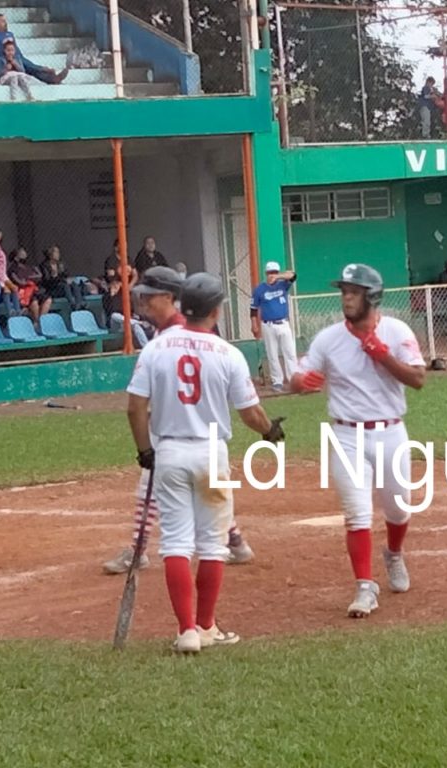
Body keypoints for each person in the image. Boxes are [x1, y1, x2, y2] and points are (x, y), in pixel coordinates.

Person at [126, 270, 284, 653]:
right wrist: (269, 432)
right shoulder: (227, 353)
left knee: (176, 543)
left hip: (169, 452)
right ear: (215, 310)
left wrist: (145, 450)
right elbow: (250, 413)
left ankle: (186, 631)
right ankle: (207, 626)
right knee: (212, 545)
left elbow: (135, 407)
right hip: (211, 452)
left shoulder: (156, 347)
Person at [290, 263, 426, 619]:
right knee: (357, 513)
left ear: (373, 296)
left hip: (391, 431)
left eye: (354, 292)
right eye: (344, 292)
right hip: (346, 434)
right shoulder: (328, 337)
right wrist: (299, 383)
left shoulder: (396, 331)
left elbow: (417, 379)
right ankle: (365, 586)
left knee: (399, 508)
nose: (347, 298)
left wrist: (381, 354)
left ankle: (394, 554)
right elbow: (299, 375)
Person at [103, 267, 257, 575]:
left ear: (172, 298)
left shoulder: (179, 333)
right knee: (206, 490)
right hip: (180, 427)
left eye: (150, 296)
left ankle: (137, 550)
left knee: (154, 485)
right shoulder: (168, 332)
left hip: (181, 429)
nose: (143, 301)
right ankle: (236, 542)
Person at [250, 261, 298, 392]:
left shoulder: (283, 285)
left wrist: (279, 277)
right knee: (272, 354)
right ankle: (277, 381)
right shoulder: (260, 289)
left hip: (283, 323)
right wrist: (254, 325)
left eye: (275, 272)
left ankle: (294, 379)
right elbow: (253, 310)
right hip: (268, 325)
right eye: (270, 272)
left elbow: (293, 275)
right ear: (266, 273)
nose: (272, 275)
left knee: (290, 353)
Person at [0, 14, 68, 85]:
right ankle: (46, 70)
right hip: (5, 59)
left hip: (18, 57)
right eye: (2, 21)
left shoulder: (9, 34)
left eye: (4, 21)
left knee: (31, 69)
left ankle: (52, 79)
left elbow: (15, 47)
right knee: (31, 68)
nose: (5, 23)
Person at [7, 247, 51, 323]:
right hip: (23, 292)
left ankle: (42, 322)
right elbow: (20, 281)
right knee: (34, 302)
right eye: (22, 251)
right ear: (16, 256)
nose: (25, 253)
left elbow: (39, 276)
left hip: (34, 289)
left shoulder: (29, 266)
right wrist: (30, 279)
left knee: (48, 299)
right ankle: (36, 322)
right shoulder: (13, 268)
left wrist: (28, 278)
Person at [40, 245, 85, 311]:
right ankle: (73, 305)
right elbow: (47, 281)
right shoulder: (45, 266)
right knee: (65, 285)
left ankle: (80, 303)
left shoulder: (60, 264)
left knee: (73, 284)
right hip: (53, 289)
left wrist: (67, 278)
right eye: (56, 252)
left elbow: (66, 274)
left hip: (61, 285)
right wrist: (58, 278)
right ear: (50, 254)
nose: (58, 254)